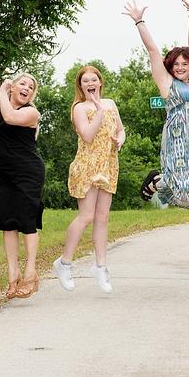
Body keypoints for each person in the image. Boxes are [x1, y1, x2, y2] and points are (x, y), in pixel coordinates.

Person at [123, 0, 189, 210]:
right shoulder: (167, 84)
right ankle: (157, 182)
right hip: (178, 137)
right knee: (183, 196)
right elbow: (153, 51)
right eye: (176, 64)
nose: (180, 67)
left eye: (185, 64)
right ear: (170, 67)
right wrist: (139, 22)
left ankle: (159, 183)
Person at [52, 65, 125, 294]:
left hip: (108, 165)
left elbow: (121, 130)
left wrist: (119, 141)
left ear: (100, 82)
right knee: (86, 217)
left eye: (94, 80)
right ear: (81, 86)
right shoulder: (79, 108)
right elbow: (87, 135)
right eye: (86, 81)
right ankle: (64, 263)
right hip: (87, 166)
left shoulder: (111, 104)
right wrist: (99, 112)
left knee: (102, 218)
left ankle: (100, 267)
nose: (90, 84)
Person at [0, 74, 44, 299]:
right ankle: (12, 275)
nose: (27, 89)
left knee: (27, 221)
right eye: (23, 84)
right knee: (7, 223)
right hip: (2, 172)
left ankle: (31, 272)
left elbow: (11, 117)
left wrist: (3, 93)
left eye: (31, 87)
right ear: (14, 87)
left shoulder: (30, 112)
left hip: (28, 172)